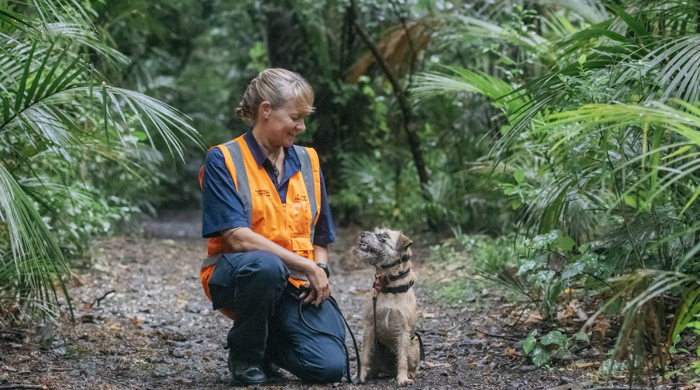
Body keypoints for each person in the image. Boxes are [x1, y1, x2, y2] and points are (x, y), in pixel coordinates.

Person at [199, 68, 346, 386]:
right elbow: (237, 238)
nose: (302, 126)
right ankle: (246, 355)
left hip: (294, 286)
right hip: (239, 276)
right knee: (265, 267)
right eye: (295, 116)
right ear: (266, 111)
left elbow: (320, 235)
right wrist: (306, 264)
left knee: (331, 368)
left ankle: (265, 340)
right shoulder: (223, 160)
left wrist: (319, 271)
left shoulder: (309, 161)